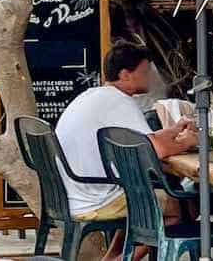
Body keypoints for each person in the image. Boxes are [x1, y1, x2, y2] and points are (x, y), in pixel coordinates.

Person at [54, 43, 199, 261]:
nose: (150, 77)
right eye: (145, 72)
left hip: (77, 192)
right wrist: (189, 141)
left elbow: (144, 141)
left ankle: (111, 257)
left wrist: (174, 130)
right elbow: (155, 151)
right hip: (96, 197)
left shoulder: (95, 96)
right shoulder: (118, 101)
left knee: (143, 198)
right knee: (178, 208)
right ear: (125, 75)